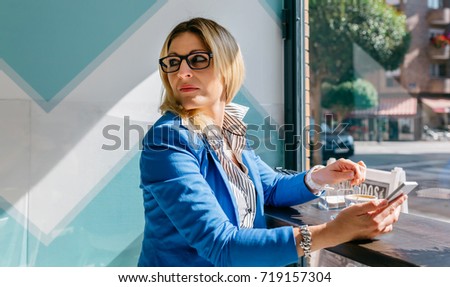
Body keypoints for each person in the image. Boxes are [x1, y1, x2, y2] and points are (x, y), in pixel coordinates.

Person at [138, 17, 407, 267]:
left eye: (197, 59)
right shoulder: (169, 139)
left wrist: (322, 177)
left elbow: (269, 188)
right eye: (173, 62)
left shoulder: (229, 129)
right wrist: (333, 232)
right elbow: (219, 244)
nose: (182, 72)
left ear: (227, 67)